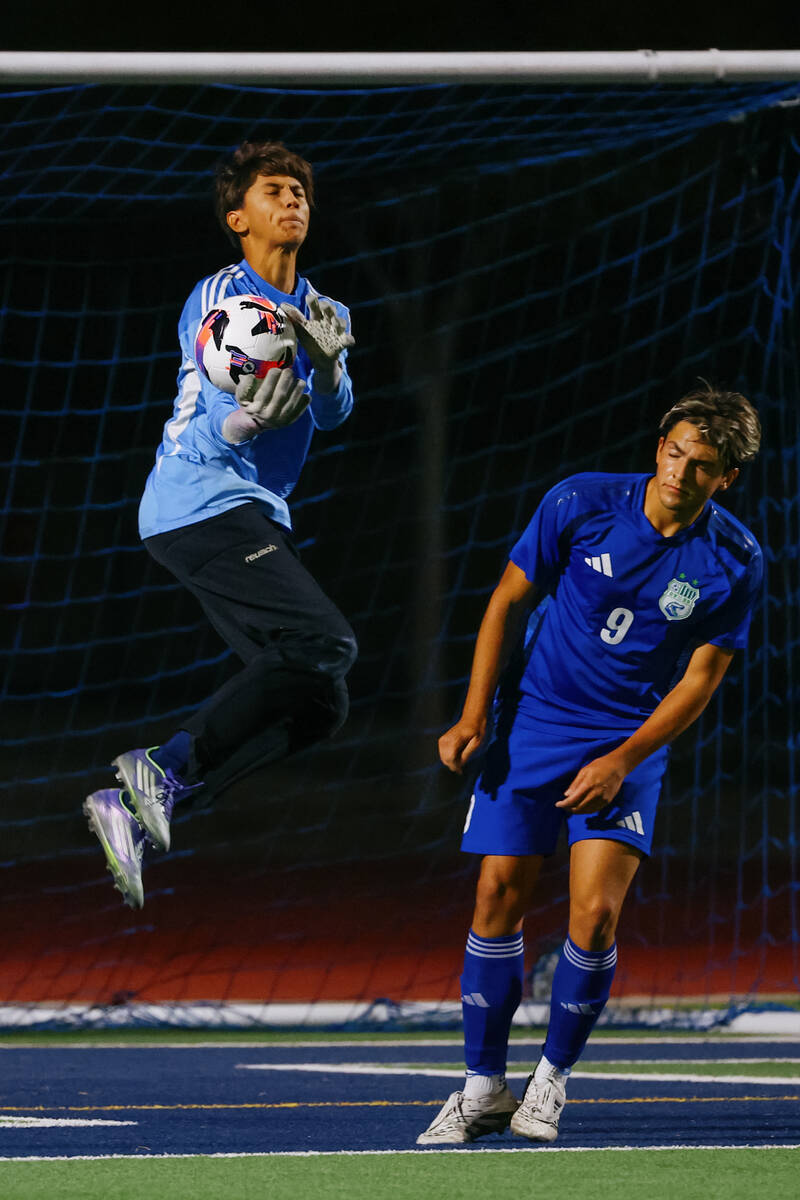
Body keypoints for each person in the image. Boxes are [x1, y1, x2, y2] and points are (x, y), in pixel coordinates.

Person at [417, 387, 762, 1145]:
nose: (680, 472)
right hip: (532, 722)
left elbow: (701, 679)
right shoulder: (579, 502)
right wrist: (474, 714)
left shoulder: (735, 561)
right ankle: (482, 1088)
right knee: (496, 895)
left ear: (726, 477)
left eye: (701, 465)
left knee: (595, 914)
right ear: (658, 447)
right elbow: (506, 600)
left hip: (627, 742)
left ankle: (551, 1083)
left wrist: (623, 758)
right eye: (673, 452)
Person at [83, 140, 357, 909]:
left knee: (320, 699)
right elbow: (203, 411)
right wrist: (239, 424)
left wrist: (329, 363)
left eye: (300, 189)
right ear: (239, 217)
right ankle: (159, 768)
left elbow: (335, 413)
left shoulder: (323, 308)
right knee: (326, 642)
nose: (293, 199)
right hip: (196, 500)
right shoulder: (220, 298)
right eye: (274, 190)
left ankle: (139, 815)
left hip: (249, 512)